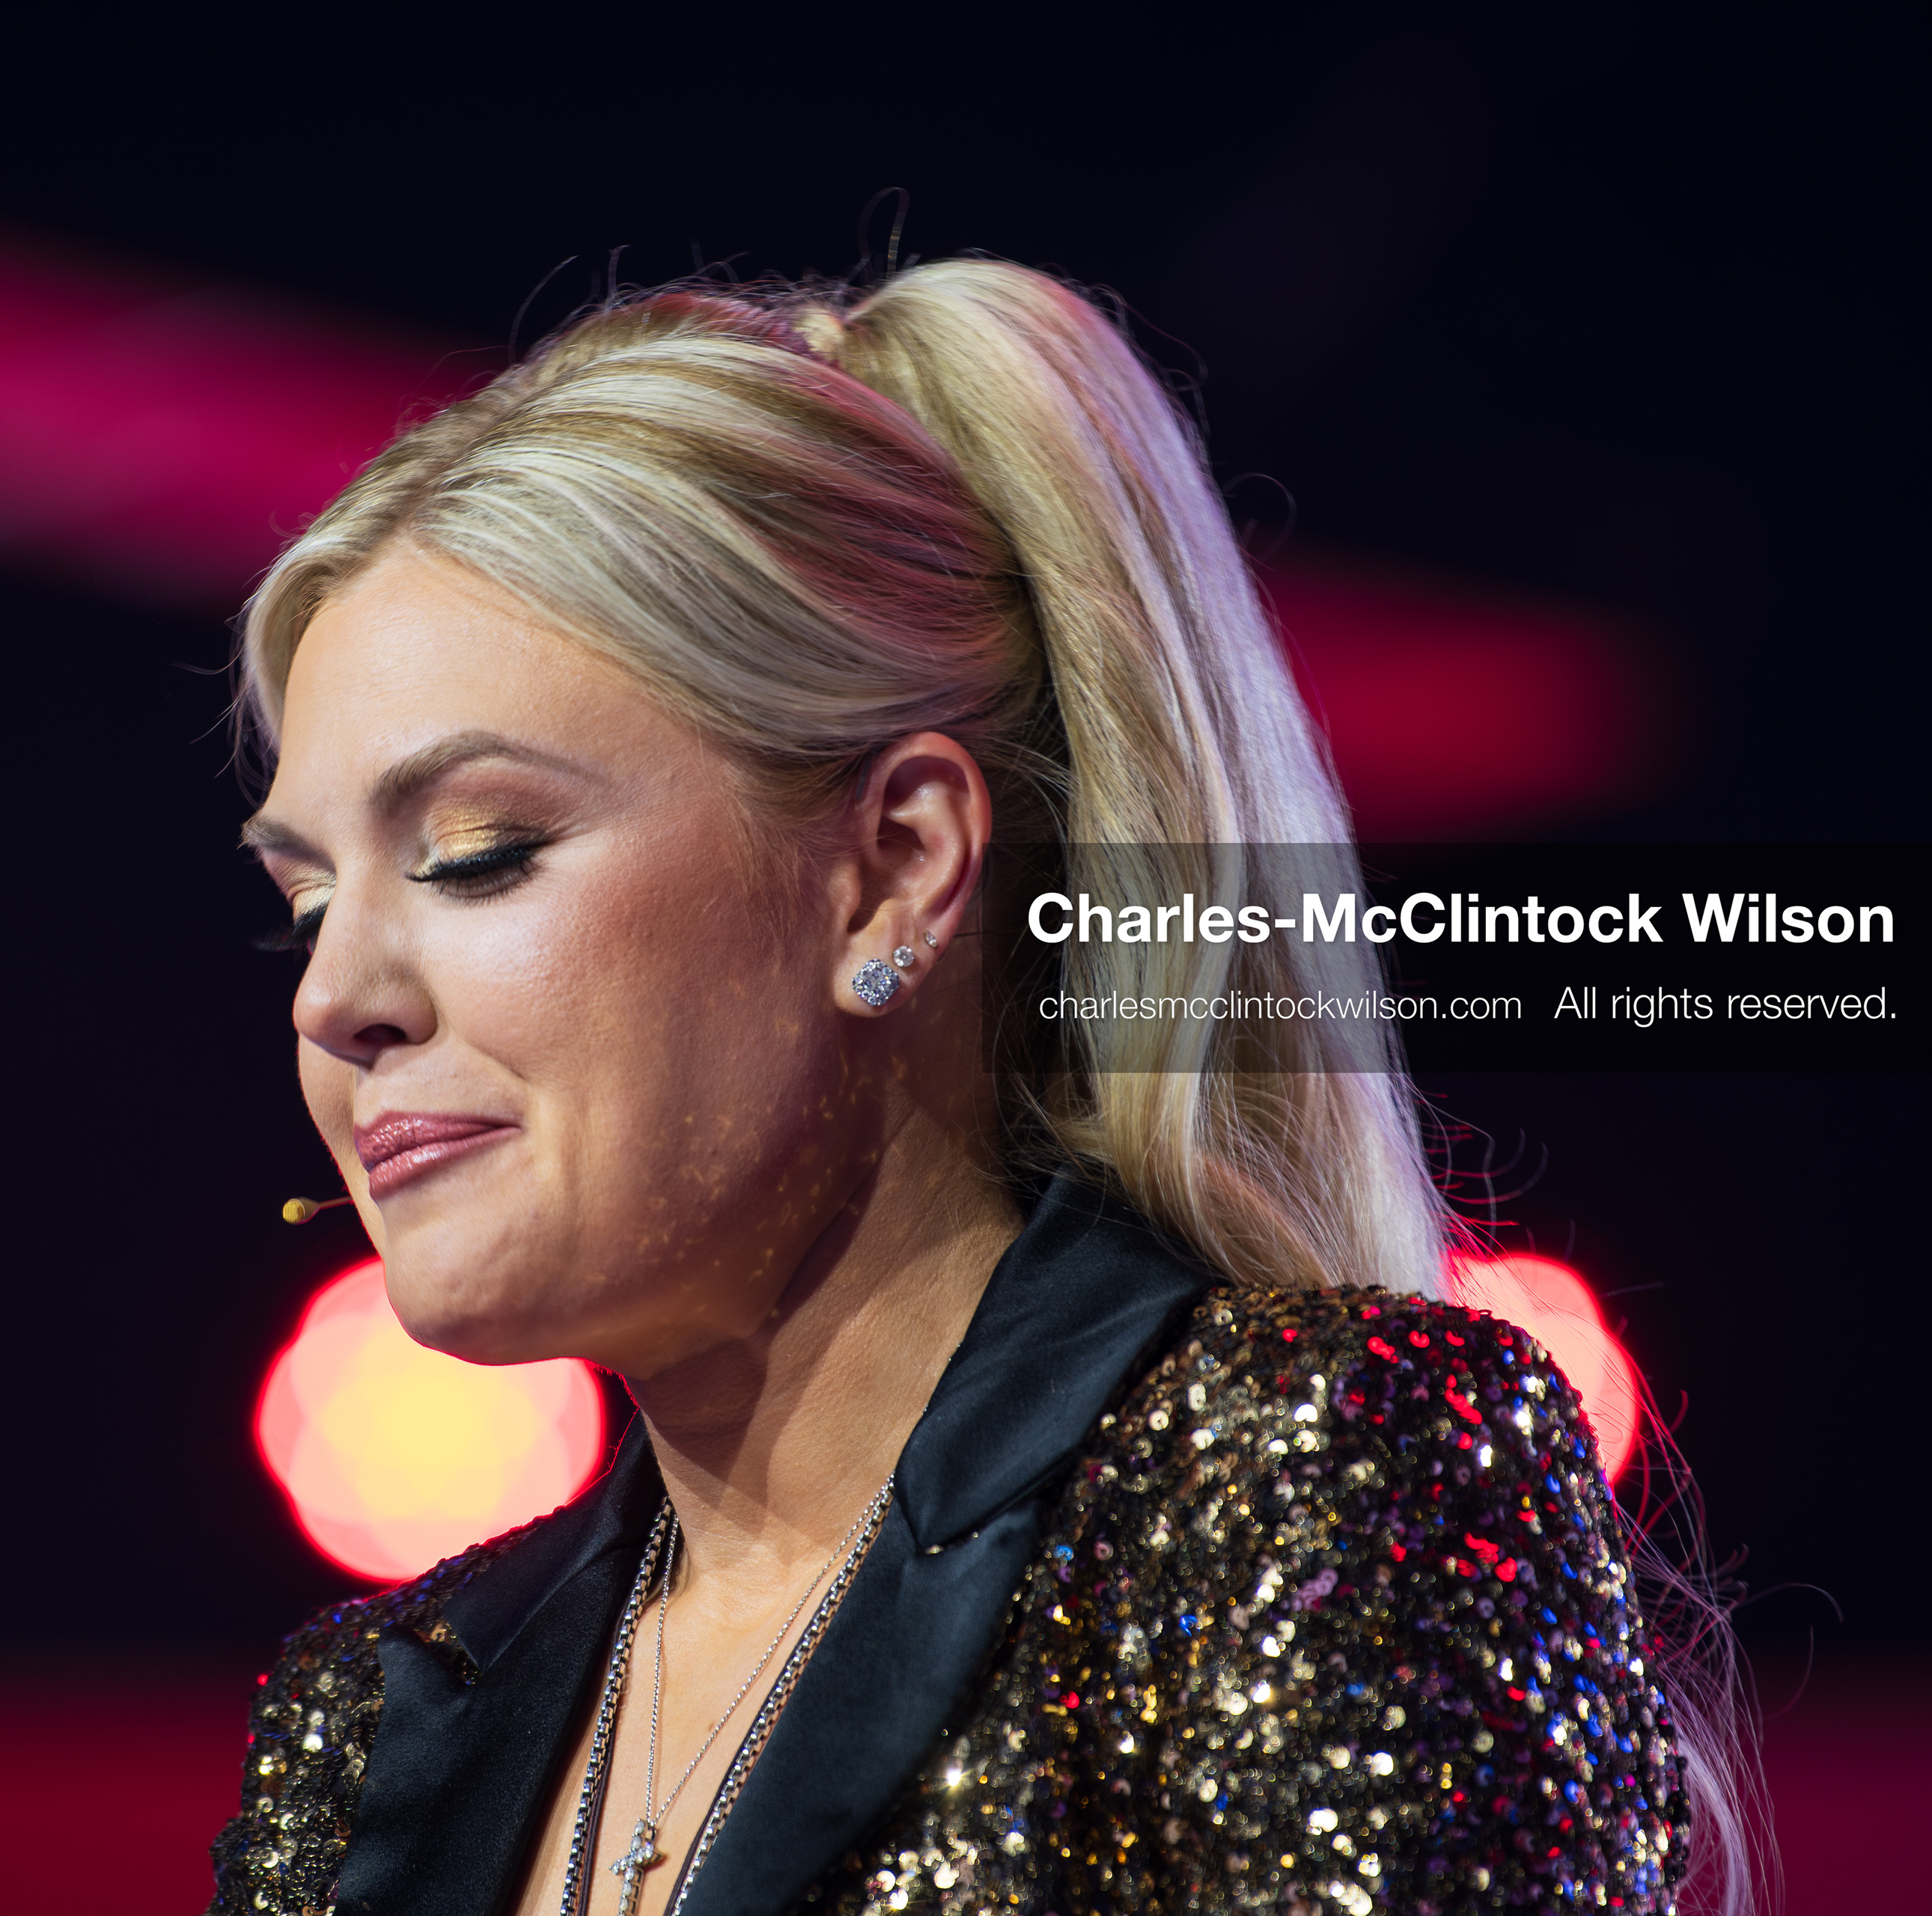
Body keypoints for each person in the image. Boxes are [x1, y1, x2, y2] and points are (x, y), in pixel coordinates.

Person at [210, 261, 1743, 1915]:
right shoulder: (366, 1728)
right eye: (307, 898)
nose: (336, 997)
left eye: (476, 853)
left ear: (896, 868)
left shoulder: (1303, 1485)